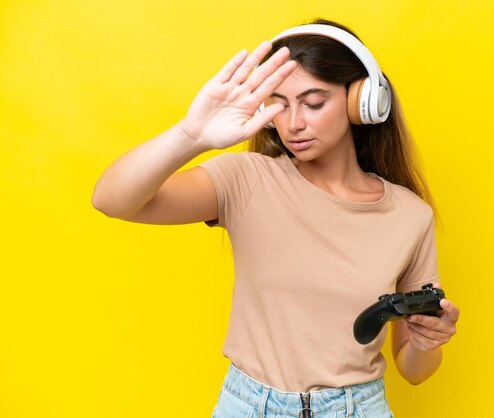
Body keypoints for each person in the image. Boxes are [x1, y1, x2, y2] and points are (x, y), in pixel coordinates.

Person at [92, 18, 460, 418]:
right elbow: (111, 200)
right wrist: (190, 135)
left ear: (362, 101)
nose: (292, 123)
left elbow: (413, 371)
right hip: (249, 406)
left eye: (314, 103)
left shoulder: (410, 216)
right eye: (279, 104)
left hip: (359, 408)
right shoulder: (247, 179)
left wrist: (426, 344)